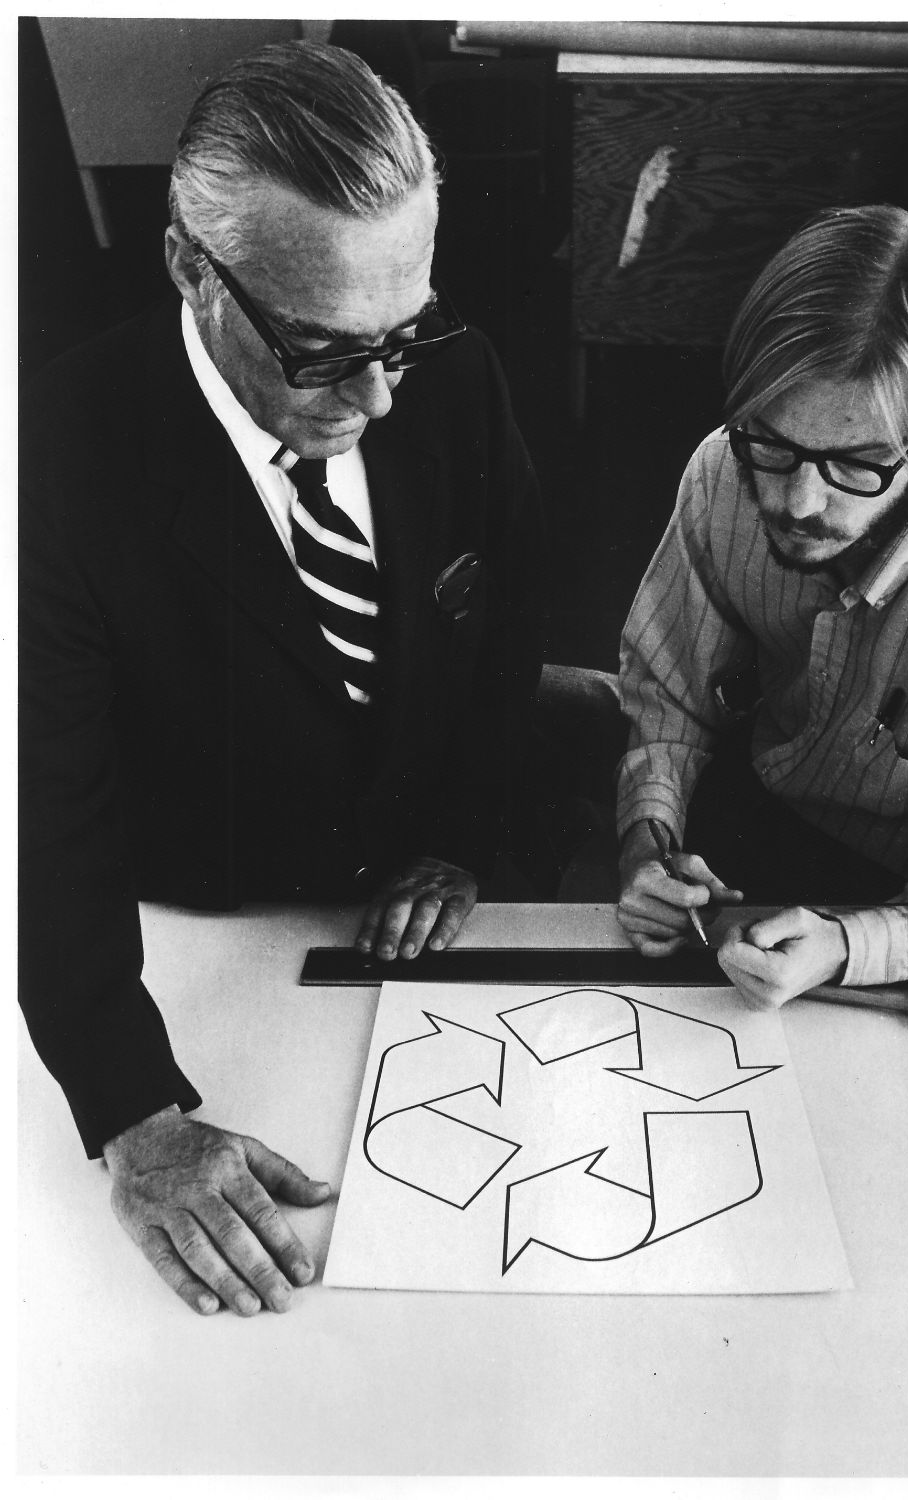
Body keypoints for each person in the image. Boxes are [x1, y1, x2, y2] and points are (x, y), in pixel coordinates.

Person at [20, 41, 545, 1316]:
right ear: (190, 267)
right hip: (205, 930)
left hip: (417, 922)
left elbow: (508, 629)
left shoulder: (453, 377)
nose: (374, 395)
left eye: (401, 334)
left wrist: (462, 839)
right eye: (317, 350)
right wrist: (136, 1116)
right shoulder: (53, 464)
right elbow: (41, 828)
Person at [615, 204, 908, 1006]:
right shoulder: (718, 474)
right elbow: (667, 693)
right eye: (771, 444)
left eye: (855, 466)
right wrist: (646, 839)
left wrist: (848, 944)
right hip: (743, 836)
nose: (797, 501)